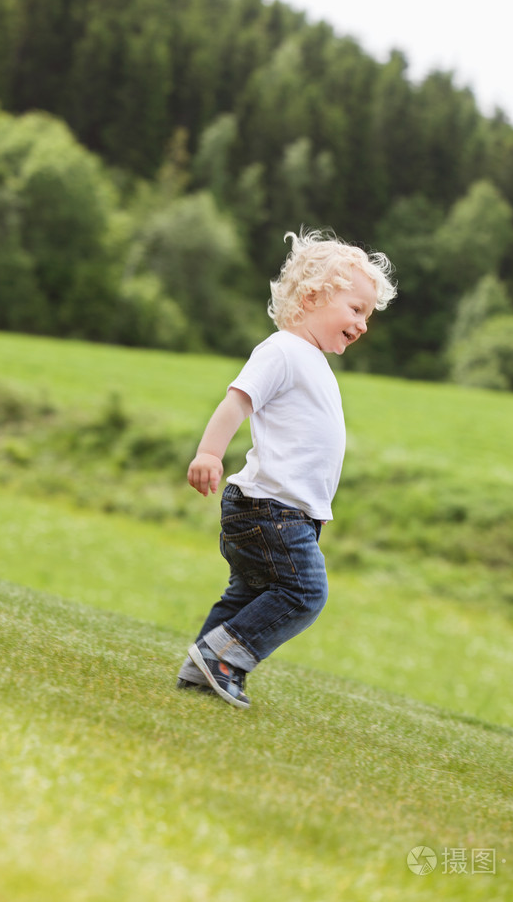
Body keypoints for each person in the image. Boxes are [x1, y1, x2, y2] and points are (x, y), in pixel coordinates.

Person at [177, 228, 396, 707]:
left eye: (368, 316)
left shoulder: (311, 360)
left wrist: (314, 508)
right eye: (356, 309)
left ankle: (202, 670)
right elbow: (238, 401)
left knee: (248, 595)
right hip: (270, 510)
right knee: (304, 592)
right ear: (313, 297)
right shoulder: (283, 351)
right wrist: (209, 453)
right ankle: (222, 660)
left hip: (284, 512)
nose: (362, 325)